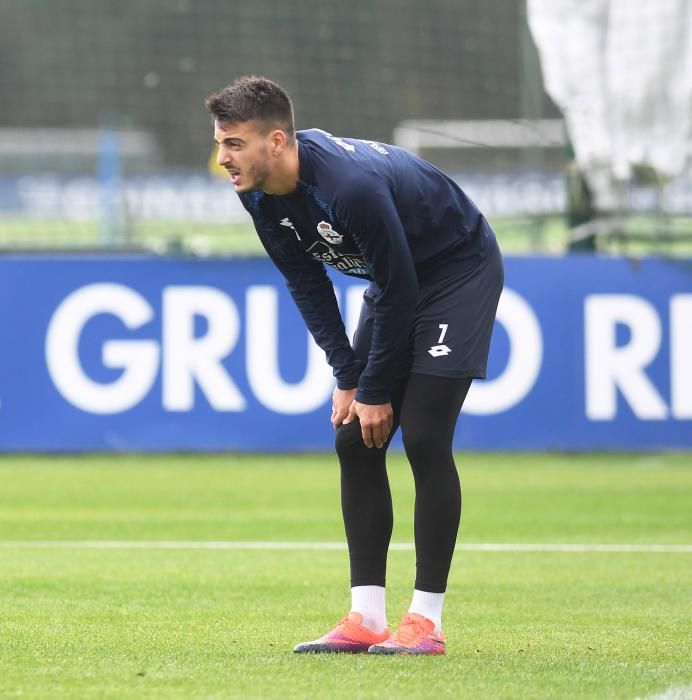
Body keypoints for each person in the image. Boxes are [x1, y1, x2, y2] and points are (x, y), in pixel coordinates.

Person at [206, 76, 503, 656]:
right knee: (352, 440)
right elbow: (305, 279)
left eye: (235, 144)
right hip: (398, 283)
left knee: (422, 434)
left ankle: (426, 621)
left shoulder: (350, 187)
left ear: (276, 140)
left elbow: (398, 288)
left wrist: (373, 389)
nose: (223, 159)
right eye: (220, 143)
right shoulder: (257, 189)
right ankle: (366, 617)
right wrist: (348, 376)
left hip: (456, 272)